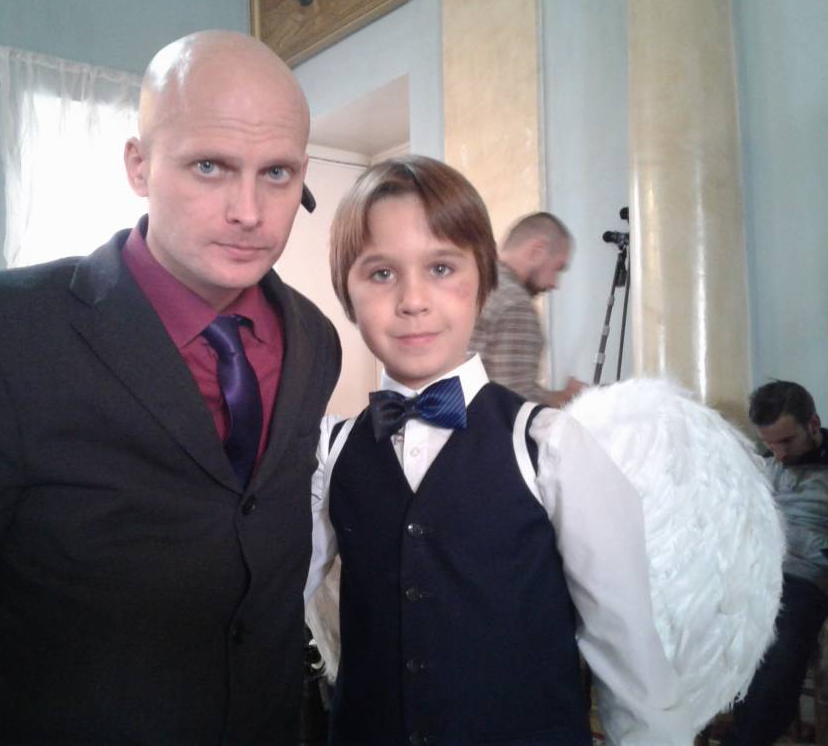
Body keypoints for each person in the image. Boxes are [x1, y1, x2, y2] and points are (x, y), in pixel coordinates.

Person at [0, 30, 341, 745]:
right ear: (138, 164)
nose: (248, 210)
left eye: (276, 173)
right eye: (209, 166)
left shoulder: (313, 338)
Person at [305, 156, 692, 744]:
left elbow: (628, 646)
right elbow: (265, 599)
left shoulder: (550, 447)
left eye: (441, 267)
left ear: (484, 283)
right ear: (347, 295)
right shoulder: (329, 453)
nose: (413, 300)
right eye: (381, 273)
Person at [721, 381, 828, 745]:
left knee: (779, 641)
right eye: (770, 443)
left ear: (813, 424)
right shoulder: (763, 464)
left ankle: (746, 738)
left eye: (786, 441)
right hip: (753, 569)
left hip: (803, 578)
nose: (779, 453)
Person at [467, 211, 584, 407]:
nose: (555, 284)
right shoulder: (515, 304)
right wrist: (567, 398)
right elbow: (512, 405)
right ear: (536, 251)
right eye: (557, 268)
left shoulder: (472, 284)